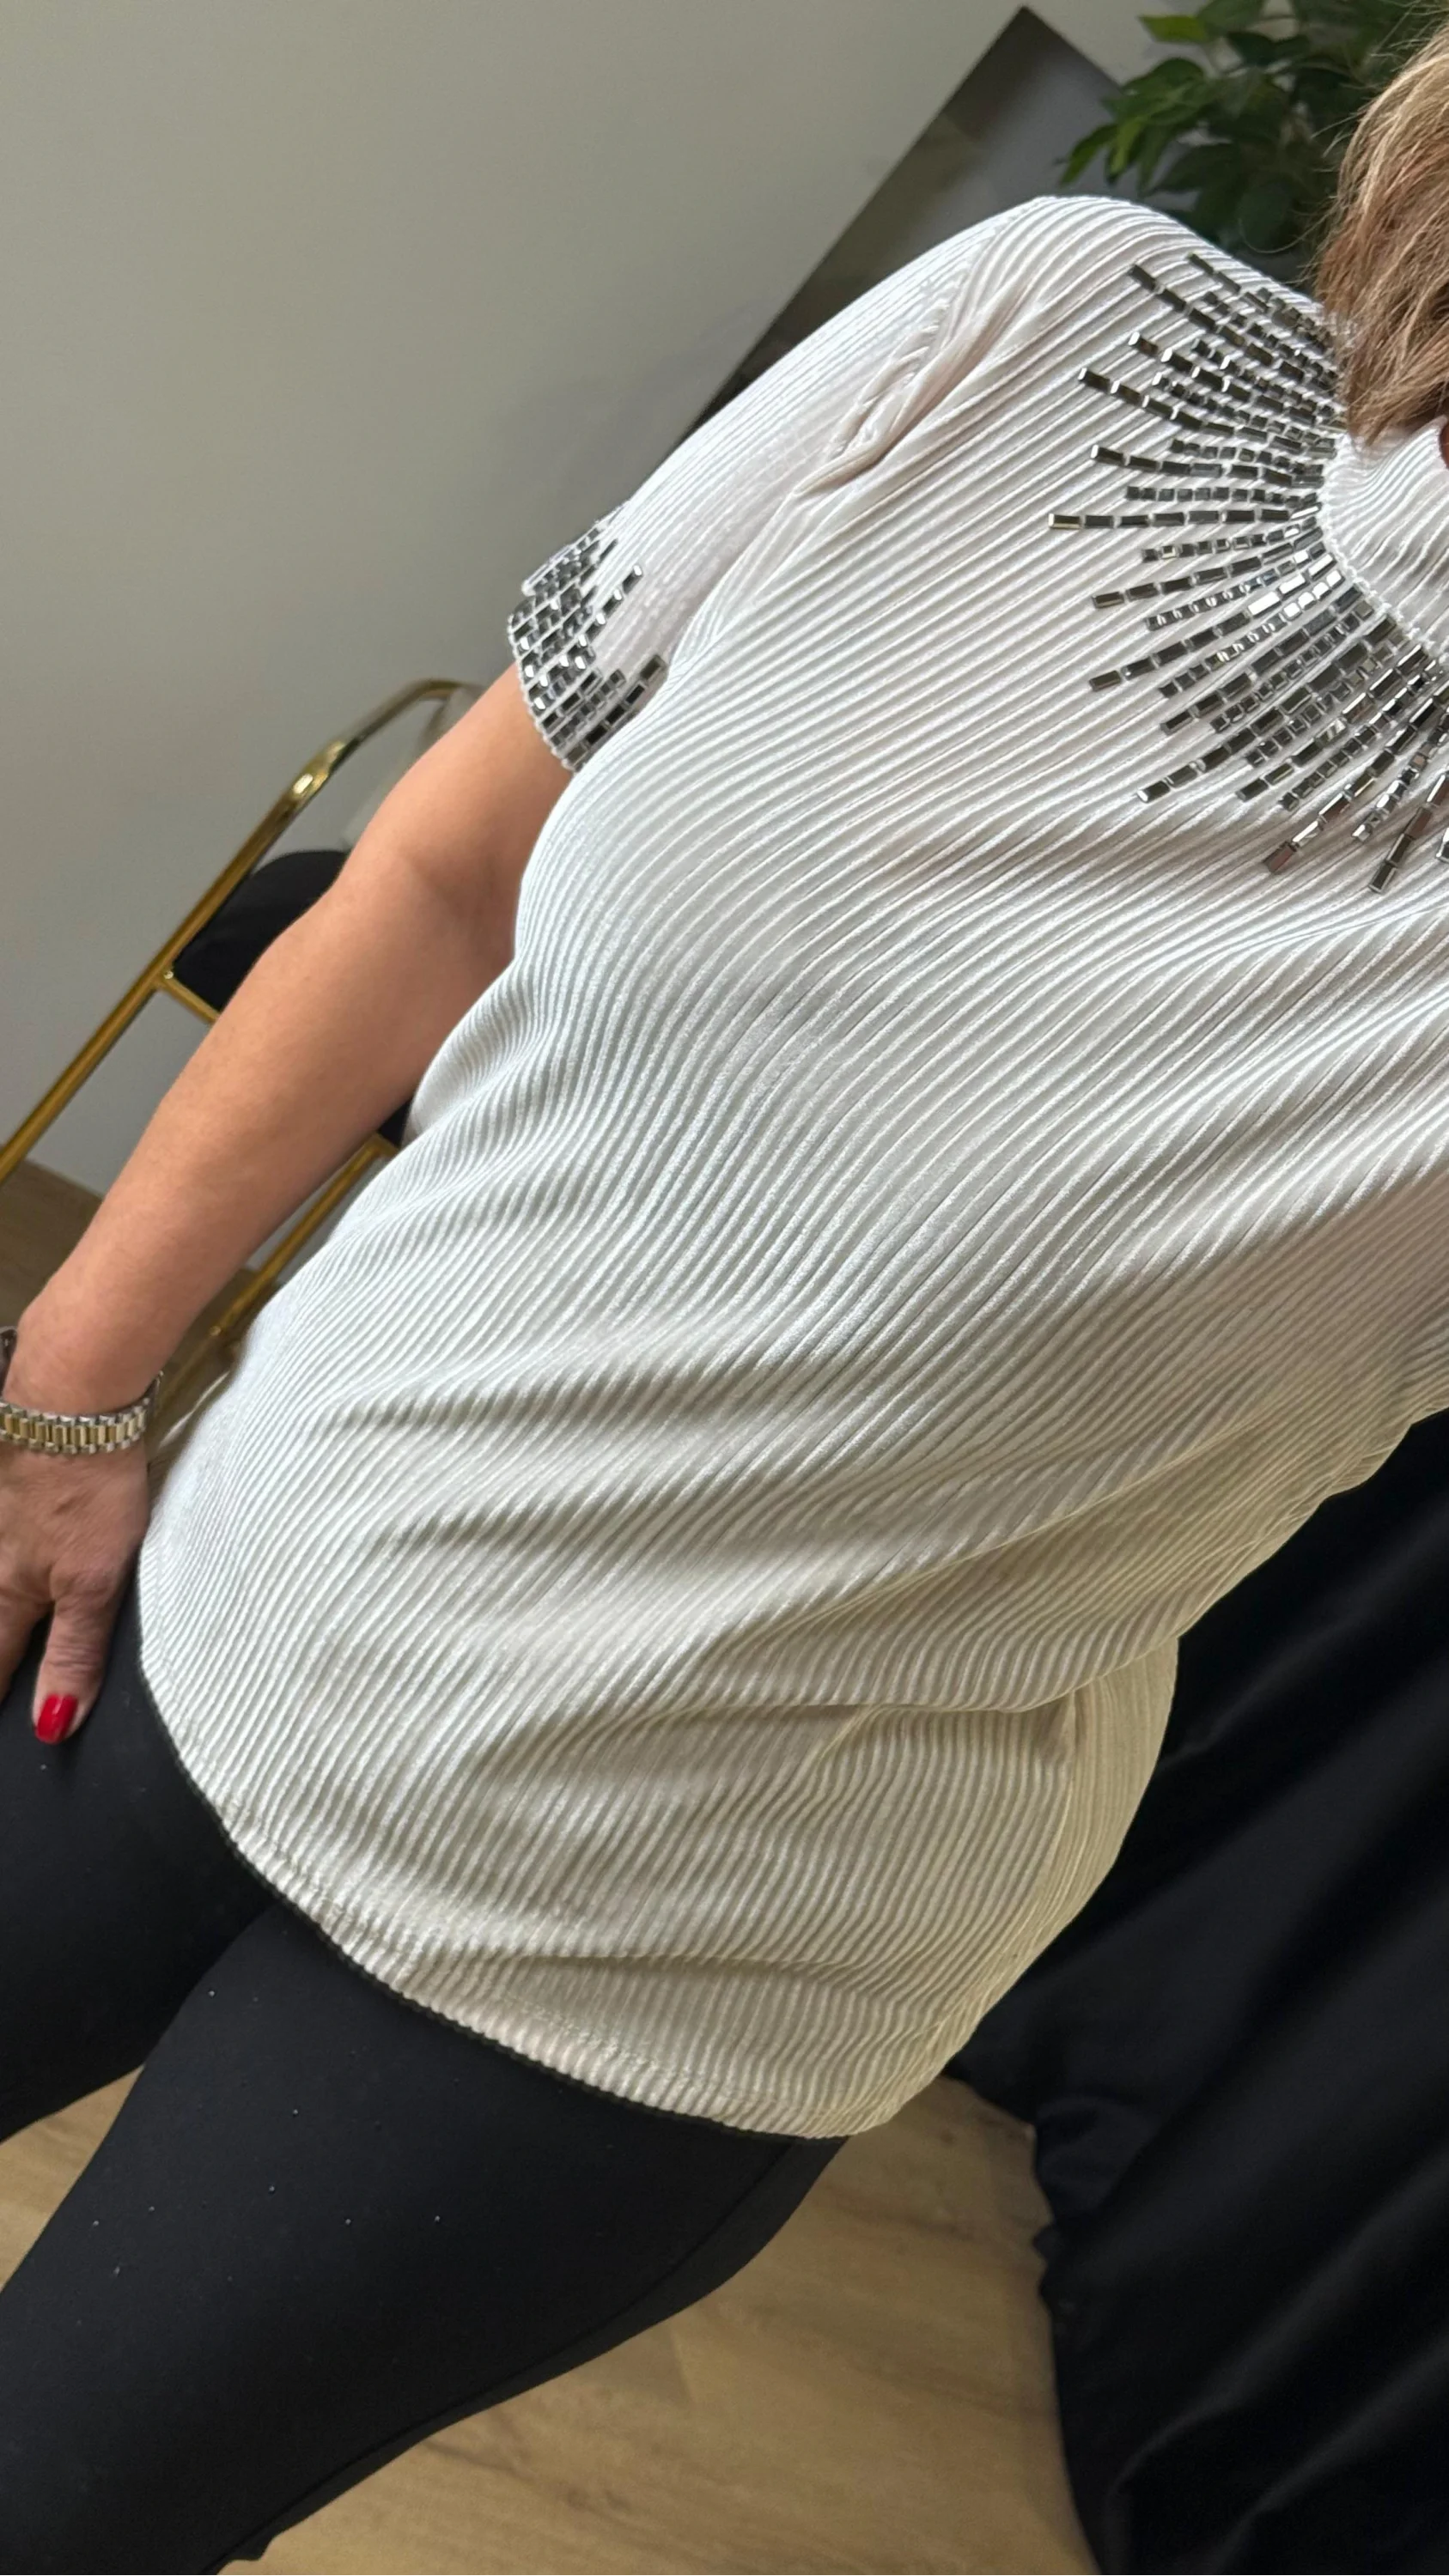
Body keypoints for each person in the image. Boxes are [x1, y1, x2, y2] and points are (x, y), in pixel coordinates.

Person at [4, 19, 1449, 2567]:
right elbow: (443, 874)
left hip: (647, 1963)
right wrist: (75, 1387)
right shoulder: (1040, 320)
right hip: (215, 1599)